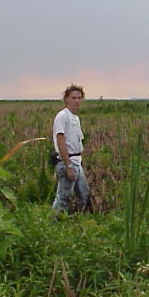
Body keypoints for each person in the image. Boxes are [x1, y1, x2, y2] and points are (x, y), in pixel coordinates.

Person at [51, 84, 90, 214]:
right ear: (66, 99)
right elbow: (60, 140)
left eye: (79, 98)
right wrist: (68, 166)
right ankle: (50, 225)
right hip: (68, 162)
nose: (77, 101)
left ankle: (79, 221)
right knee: (63, 199)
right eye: (73, 98)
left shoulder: (75, 118)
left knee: (84, 194)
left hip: (76, 161)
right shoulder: (63, 116)